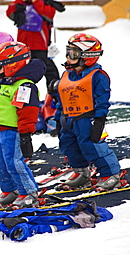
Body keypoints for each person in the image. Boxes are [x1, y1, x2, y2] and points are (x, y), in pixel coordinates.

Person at [54, 33, 121, 191]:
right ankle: (81, 173)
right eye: (68, 52)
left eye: (73, 54)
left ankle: (111, 174)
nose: (68, 58)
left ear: (87, 56)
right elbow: (60, 99)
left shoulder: (98, 76)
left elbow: (102, 101)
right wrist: (58, 119)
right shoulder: (66, 75)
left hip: (86, 118)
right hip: (67, 119)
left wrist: (99, 121)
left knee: (93, 147)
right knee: (70, 147)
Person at [0, 41, 46, 209]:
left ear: (12, 64)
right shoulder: (7, 81)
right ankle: (10, 189)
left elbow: (28, 111)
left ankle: (28, 192)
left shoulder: (23, 85)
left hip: (13, 132)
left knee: (14, 162)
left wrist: (26, 135)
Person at [6, 0, 64, 89]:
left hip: (39, 45)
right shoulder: (22, 4)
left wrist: (37, 2)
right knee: (21, 73)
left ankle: (54, 94)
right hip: (23, 46)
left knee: (50, 71)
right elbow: (9, 12)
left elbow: (48, 15)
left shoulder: (46, 4)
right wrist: (20, 3)